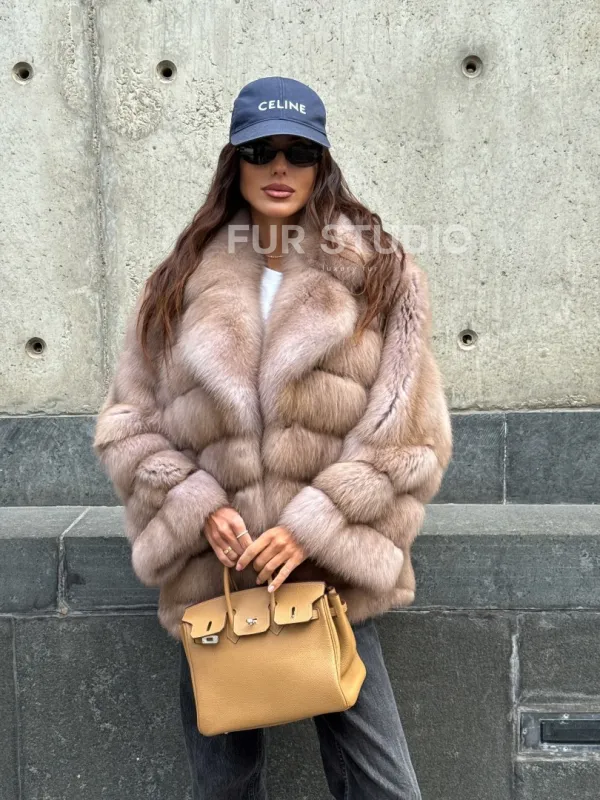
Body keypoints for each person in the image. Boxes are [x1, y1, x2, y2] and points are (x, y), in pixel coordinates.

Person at [93, 75, 453, 800]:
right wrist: (199, 507)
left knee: (384, 786)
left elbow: (409, 439)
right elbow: (129, 426)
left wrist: (314, 525)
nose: (280, 167)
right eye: (261, 151)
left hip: (328, 580)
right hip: (215, 584)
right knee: (225, 788)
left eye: (299, 152)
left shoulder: (379, 275)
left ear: (322, 163)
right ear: (236, 161)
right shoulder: (178, 281)